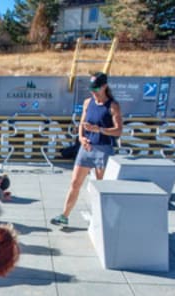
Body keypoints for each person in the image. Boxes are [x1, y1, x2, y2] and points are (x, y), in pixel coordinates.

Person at [50, 72, 123, 226]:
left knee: (102, 187)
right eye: (92, 88)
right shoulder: (88, 102)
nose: (93, 91)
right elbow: (82, 124)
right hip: (87, 147)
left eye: (96, 88)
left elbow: (118, 130)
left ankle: (103, 219)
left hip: (104, 148)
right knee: (75, 183)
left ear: (105, 87)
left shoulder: (112, 105)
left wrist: (100, 130)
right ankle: (64, 215)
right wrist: (81, 138)